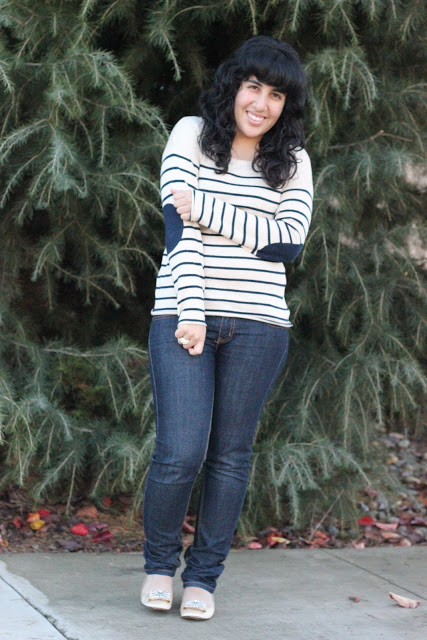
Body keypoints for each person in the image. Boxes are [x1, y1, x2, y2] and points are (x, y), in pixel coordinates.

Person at [141, 35, 313, 620]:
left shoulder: (292, 163)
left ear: (286, 106)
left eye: (276, 95)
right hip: (182, 314)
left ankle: (204, 578)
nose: (261, 104)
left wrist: (207, 208)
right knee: (179, 453)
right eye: (253, 87)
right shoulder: (190, 134)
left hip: (260, 325)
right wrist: (189, 311)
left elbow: (286, 245)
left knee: (231, 456)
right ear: (234, 86)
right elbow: (176, 235)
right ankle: (161, 565)